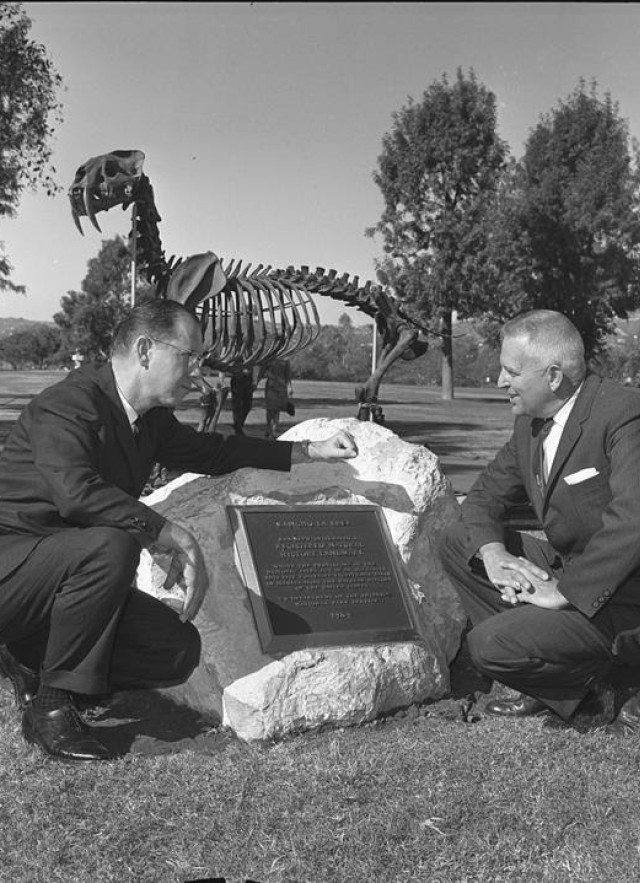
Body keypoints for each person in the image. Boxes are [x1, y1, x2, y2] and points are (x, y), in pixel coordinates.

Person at [0, 300, 358, 762]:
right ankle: (50, 706)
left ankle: (32, 657)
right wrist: (168, 533)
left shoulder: (149, 421)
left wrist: (308, 450)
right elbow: (75, 492)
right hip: (12, 570)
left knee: (175, 650)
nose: (197, 371)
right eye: (189, 356)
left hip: (62, 582)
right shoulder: (67, 405)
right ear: (146, 350)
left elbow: (214, 453)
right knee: (111, 545)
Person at [438, 309, 640, 732]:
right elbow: (482, 499)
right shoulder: (530, 426)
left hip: (624, 595)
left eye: (511, 371)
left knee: (488, 646)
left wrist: (563, 592)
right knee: (460, 541)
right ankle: (570, 687)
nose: (498, 381)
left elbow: (633, 519)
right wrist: (494, 555)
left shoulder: (624, 414)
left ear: (553, 377)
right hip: (570, 572)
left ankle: (614, 679)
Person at [256, 357, 293, 439]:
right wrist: (256, 382)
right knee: (270, 409)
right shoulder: (269, 357)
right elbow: (261, 371)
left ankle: (273, 430)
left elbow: (288, 375)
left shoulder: (285, 360)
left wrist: (289, 387)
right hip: (271, 387)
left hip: (281, 387)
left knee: (277, 409)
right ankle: (269, 427)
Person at [229, 367, 255, 435]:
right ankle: (238, 427)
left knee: (248, 405)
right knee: (236, 405)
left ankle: (239, 424)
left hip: (249, 379)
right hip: (237, 379)